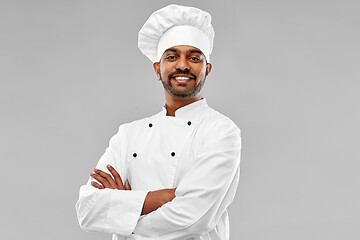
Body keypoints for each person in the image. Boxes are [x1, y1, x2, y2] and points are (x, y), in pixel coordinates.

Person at [75, 4, 241, 240]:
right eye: (172, 57)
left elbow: (193, 219)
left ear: (207, 69)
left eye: (194, 57)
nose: (182, 65)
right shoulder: (128, 134)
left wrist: (123, 212)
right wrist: (168, 196)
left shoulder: (221, 131)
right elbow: (88, 208)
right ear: (157, 69)